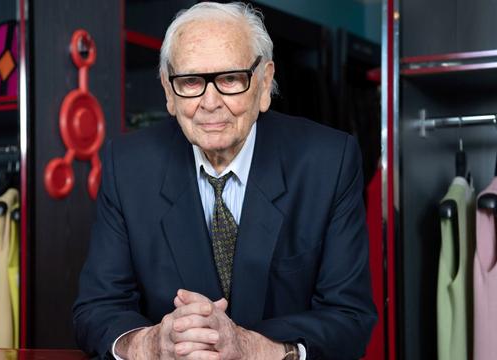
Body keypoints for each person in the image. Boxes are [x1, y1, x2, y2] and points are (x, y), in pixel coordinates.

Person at [73, 2, 377, 359]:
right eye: (190, 81)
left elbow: (350, 319)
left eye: (231, 79)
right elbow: (94, 311)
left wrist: (252, 347)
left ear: (264, 84)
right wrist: (153, 343)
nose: (210, 102)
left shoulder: (328, 161)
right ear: (169, 93)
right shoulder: (127, 166)